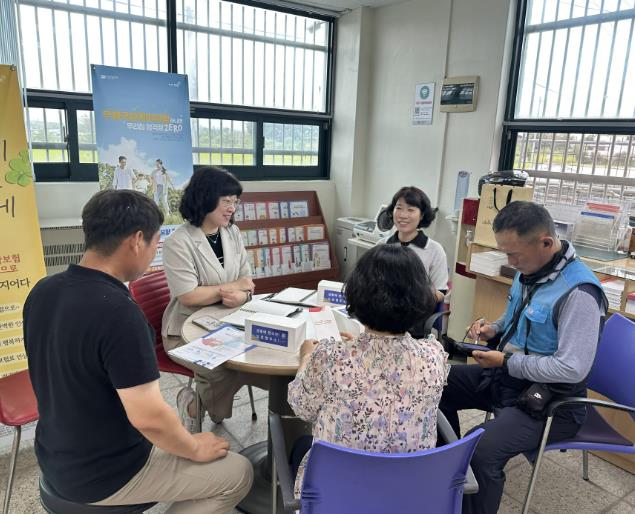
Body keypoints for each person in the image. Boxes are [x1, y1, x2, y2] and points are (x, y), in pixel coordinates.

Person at [23, 190, 253, 513]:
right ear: (136, 240)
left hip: (54, 456)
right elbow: (148, 416)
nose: (154, 251)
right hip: (106, 473)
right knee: (238, 473)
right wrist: (193, 447)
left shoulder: (43, 291)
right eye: (155, 243)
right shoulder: (120, 314)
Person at [439, 201, 608, 514]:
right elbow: (517, 314)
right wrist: (493, 328)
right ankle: (450, 474)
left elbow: (572, 369)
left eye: (514, 254)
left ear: (546, 242)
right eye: (505, 253)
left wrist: (506, 361)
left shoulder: (580, 293)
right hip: (508, 379)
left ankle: (466, 478)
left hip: (552, 401)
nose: (510, 262)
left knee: (479, 450)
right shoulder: (529, 269)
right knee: (436, 384)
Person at [287, 244, 449, 497]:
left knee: (299, 446)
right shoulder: (433, 355)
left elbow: (302, 407)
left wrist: (307, 356)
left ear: (357, 294)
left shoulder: (330, 357)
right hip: (408, 494)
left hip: (338, 495)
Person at [162, 166, 267, 429]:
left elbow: (247, 281)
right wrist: (232, 288)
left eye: (235, 202)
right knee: (221, 367)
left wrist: (243, 296)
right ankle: (193, 406)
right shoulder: (178, 241)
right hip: (186, 329)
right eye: (226, 201)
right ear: (205, 198)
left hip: (229, 320)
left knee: (261, 355)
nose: (232, 208)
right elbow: (189, 296)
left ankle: (211, 404)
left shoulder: (232, 232)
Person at [379, 186, 449, 303]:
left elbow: (441, 292)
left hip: (417, 309)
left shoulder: (435, 249)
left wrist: (416, 298)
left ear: (422, 215)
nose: (403, 215)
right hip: (382, 307)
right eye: (399, 208)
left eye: (410, 210)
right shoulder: (382, 245)